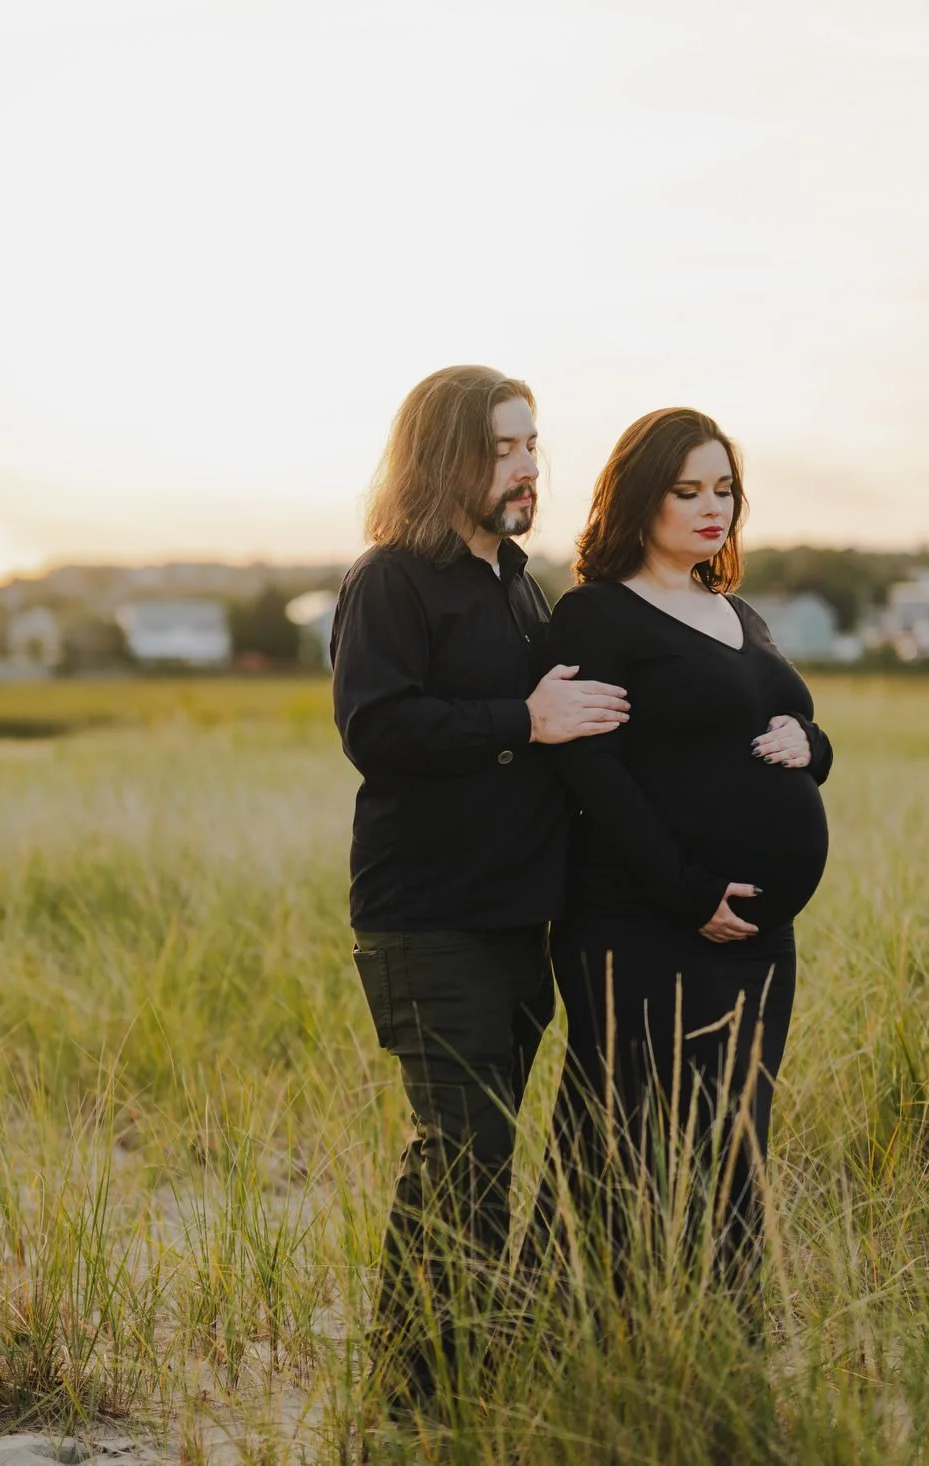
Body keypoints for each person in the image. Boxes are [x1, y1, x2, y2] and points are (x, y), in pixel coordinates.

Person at [330, 364, 628, 1402]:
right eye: (502, 447)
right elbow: (374, 727)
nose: (526, 466)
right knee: (461, 1148)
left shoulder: (518, 583)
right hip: (429, 918)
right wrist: (521, 721)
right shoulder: (390, 580)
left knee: (480, 1155)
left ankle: (452, 1368)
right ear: (442, 456)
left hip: (519, 919)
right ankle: (415, 1395)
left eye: (532, 444)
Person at [544, 406, 833, 1291]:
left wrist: (813, 748)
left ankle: (720, 1345)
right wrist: (689, 894)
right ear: (639, 498)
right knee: (620, 1145)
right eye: (687, 491)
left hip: (756, 943)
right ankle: (580, 1347)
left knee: (735, 1145)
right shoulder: (596, 616)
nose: (714, 508)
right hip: (645, 926)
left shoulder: (732, 608)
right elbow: (595, 777)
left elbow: (796, 727)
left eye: (725, 489)